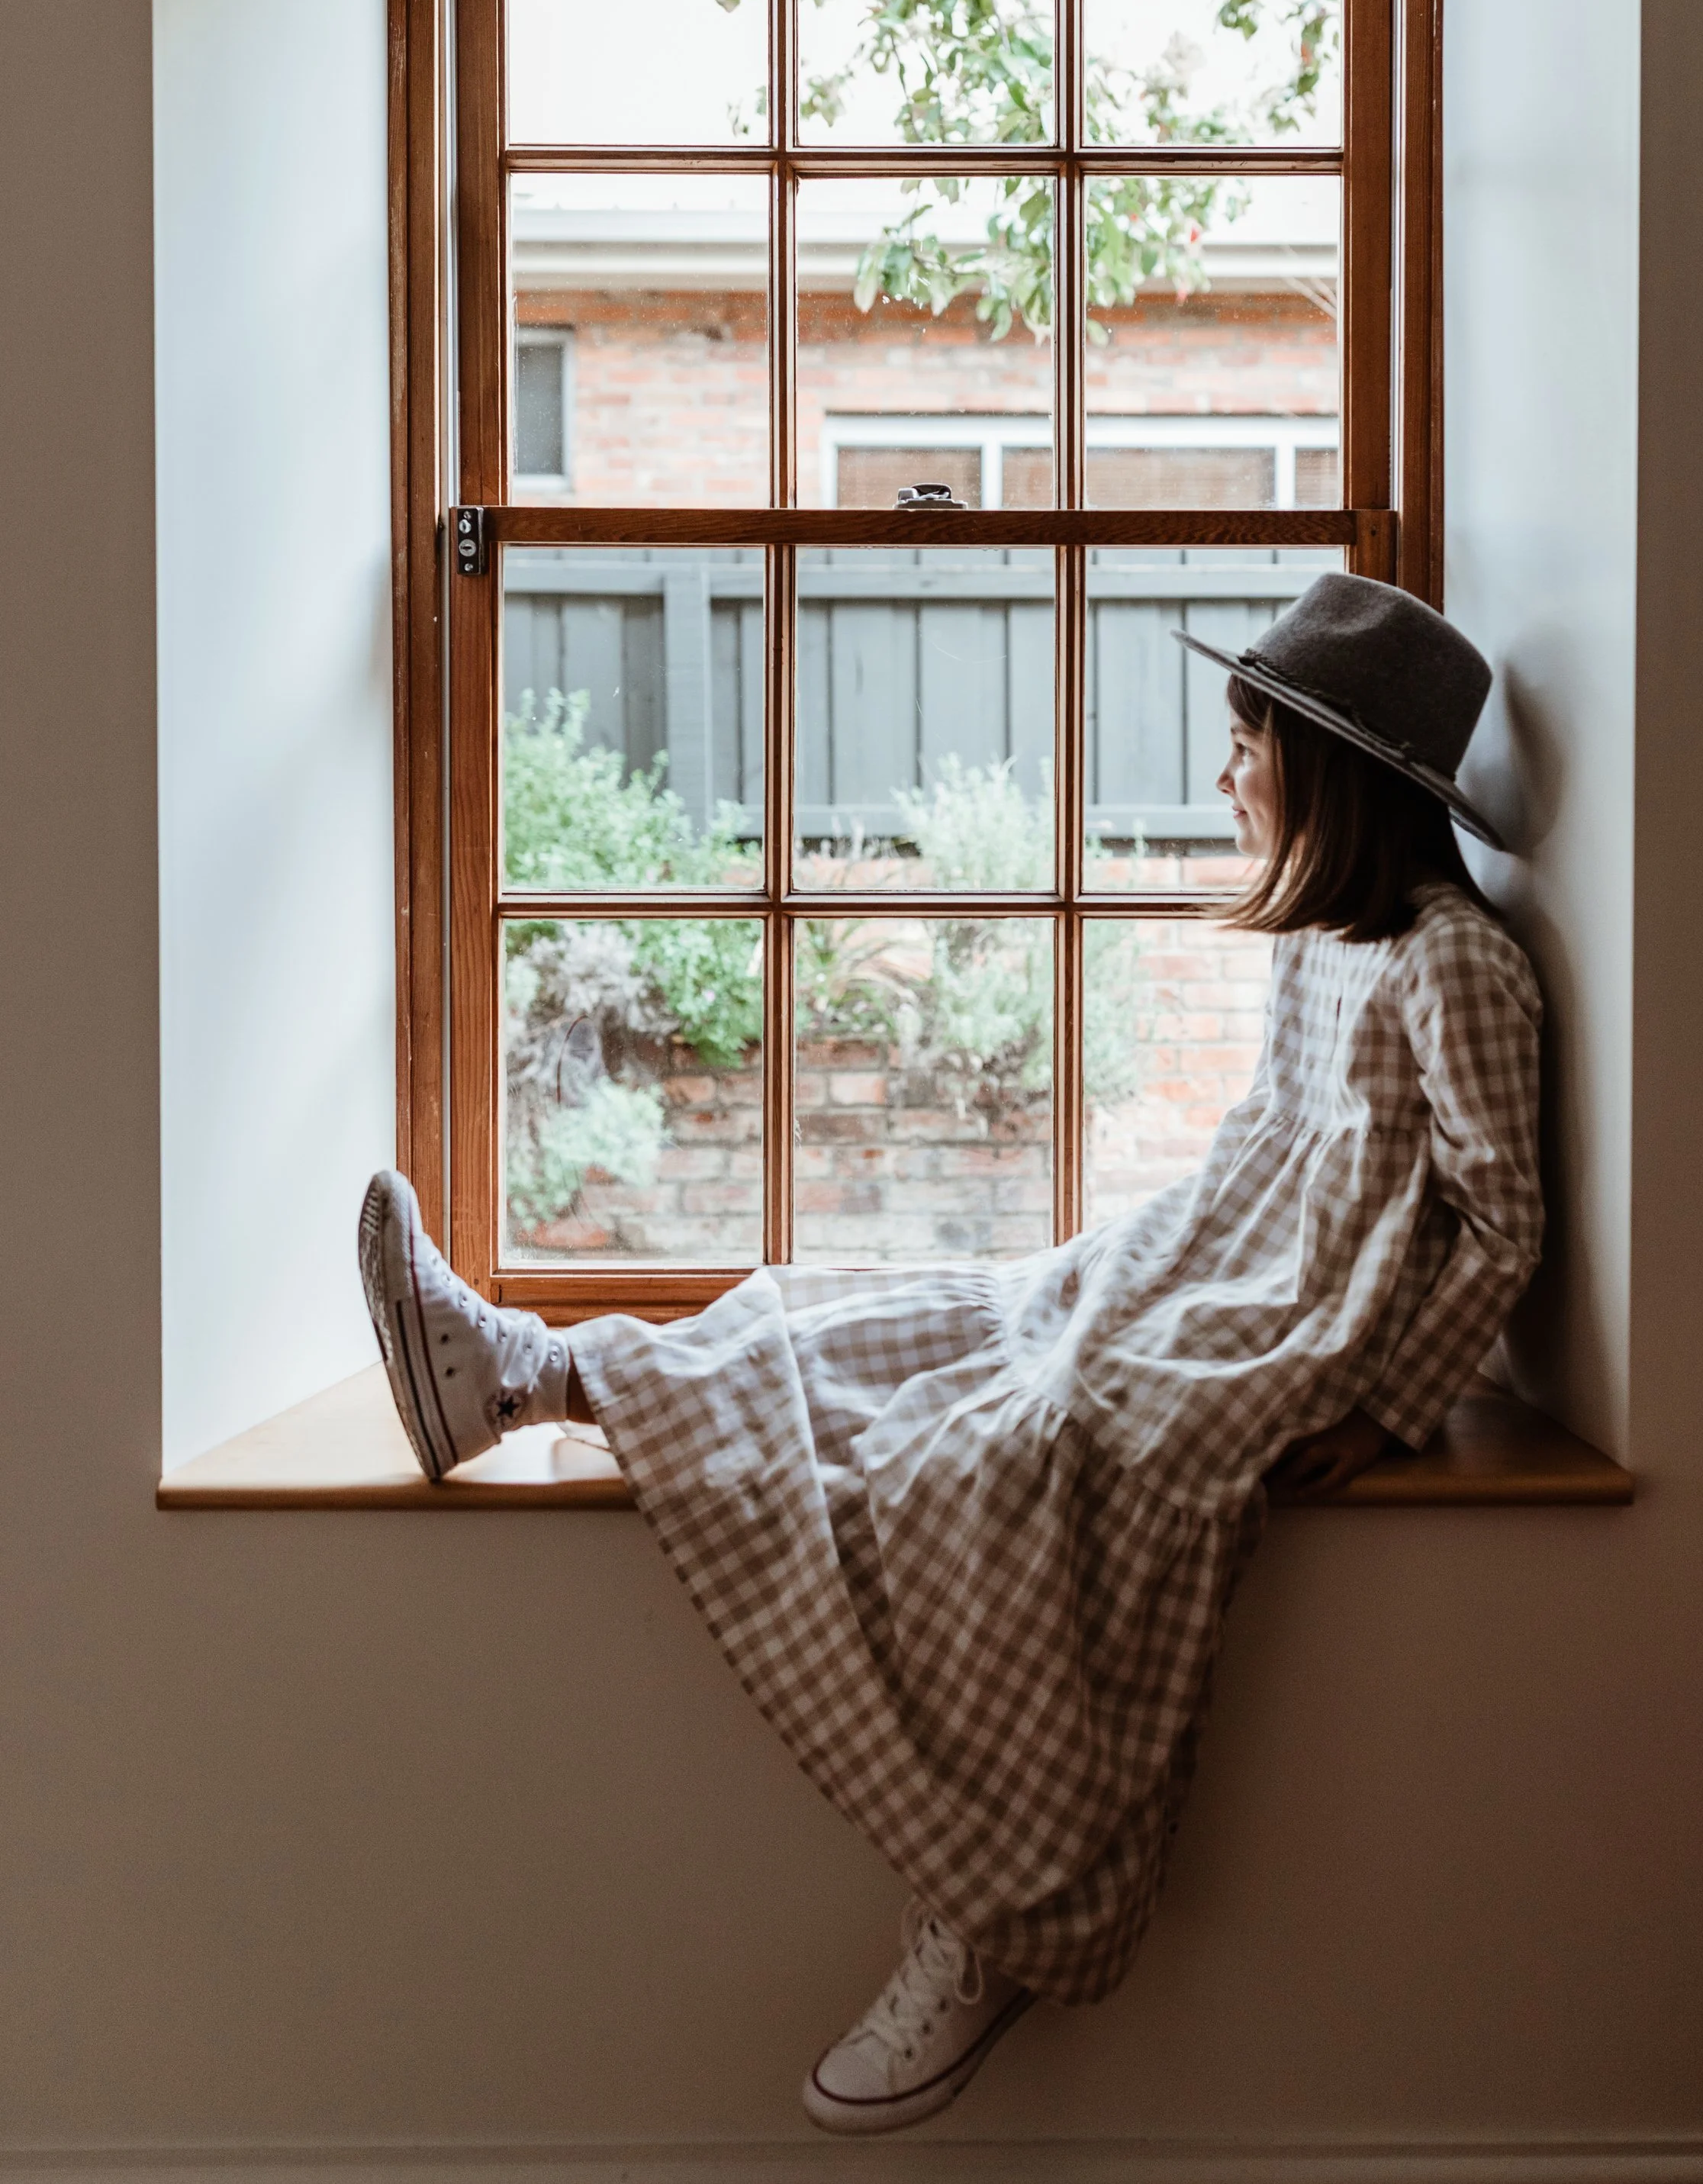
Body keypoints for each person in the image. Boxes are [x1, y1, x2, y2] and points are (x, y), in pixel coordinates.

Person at [357, 573, 1544, 2137]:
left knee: (993, 1450)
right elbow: (1263, 1143)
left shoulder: (1453, 964)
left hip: (1263, 1334)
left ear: (1330, 773)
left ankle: (994, 1911)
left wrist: (1384, 1406)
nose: (1220, 778)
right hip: (1183, 1266)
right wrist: (1118, 1269)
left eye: (1243, 746)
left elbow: (1497, 1221)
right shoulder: (1329, 942)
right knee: (844, 1309)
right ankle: (522, 1369)